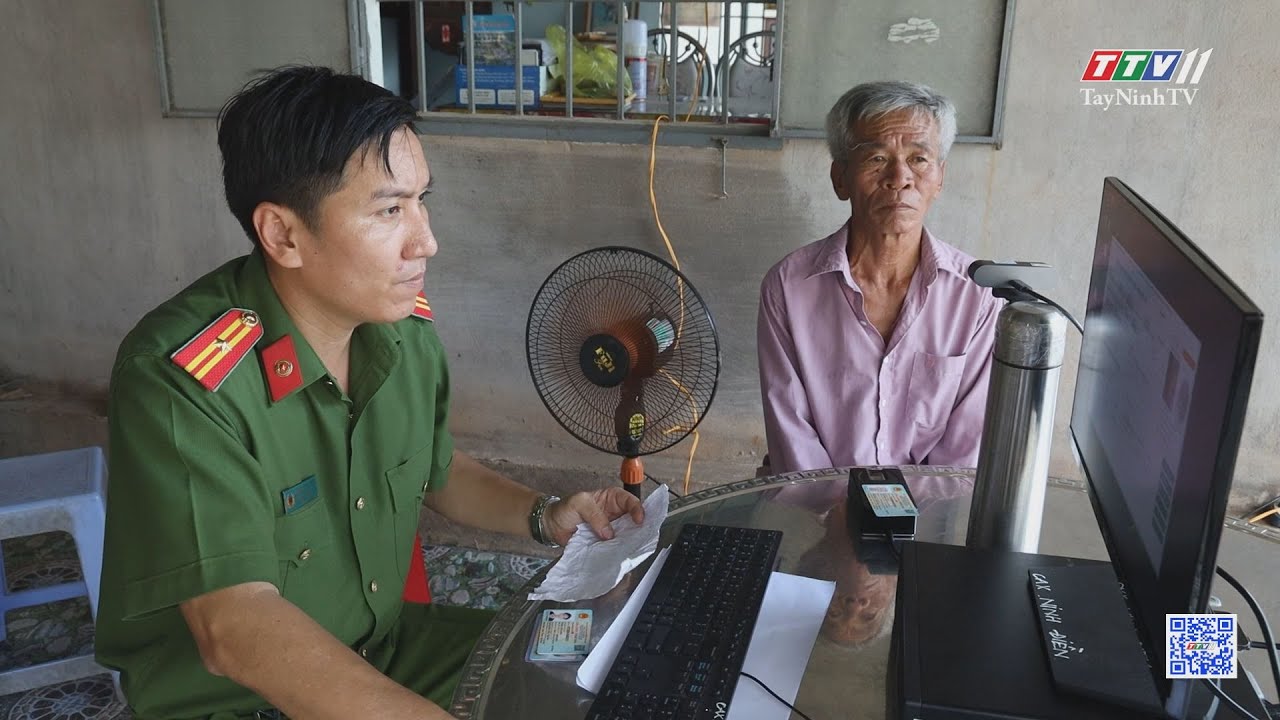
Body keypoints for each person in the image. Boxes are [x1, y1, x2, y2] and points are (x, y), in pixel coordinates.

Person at [95, 66, 643, 720]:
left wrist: (545, 514)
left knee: (598, 660)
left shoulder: (401, 331)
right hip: (239, 703)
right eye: (389, 210)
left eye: (421, 200)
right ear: (284, 235)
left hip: (381, 649)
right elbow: (234, 628)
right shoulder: (181, 379)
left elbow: (436, 470)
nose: (426, 241)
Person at [756, 81, 1001, 506]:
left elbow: (963, 457)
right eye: (876, 158)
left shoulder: (977, 297)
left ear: (940, 178)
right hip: (815, 514)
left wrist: (897, 528)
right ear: (840, 177)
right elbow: (794, 444)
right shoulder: (788, 288)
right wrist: (846, 529)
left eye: (919, 159)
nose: (899, 178)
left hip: (928, 525)